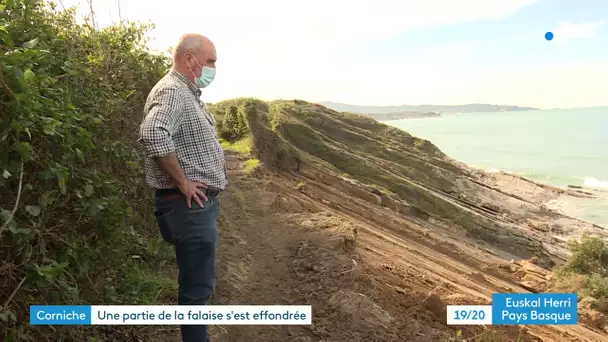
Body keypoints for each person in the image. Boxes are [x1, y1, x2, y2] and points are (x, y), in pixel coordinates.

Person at [138, 33, 227, 342]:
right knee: (196, 292)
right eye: (211, 61)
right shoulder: (174, 91)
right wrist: (183, 182)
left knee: (197, 288)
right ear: (190, 60)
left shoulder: (187, 94)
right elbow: (152, 133)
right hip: (187, 206)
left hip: (193, 208)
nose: (214, 67)